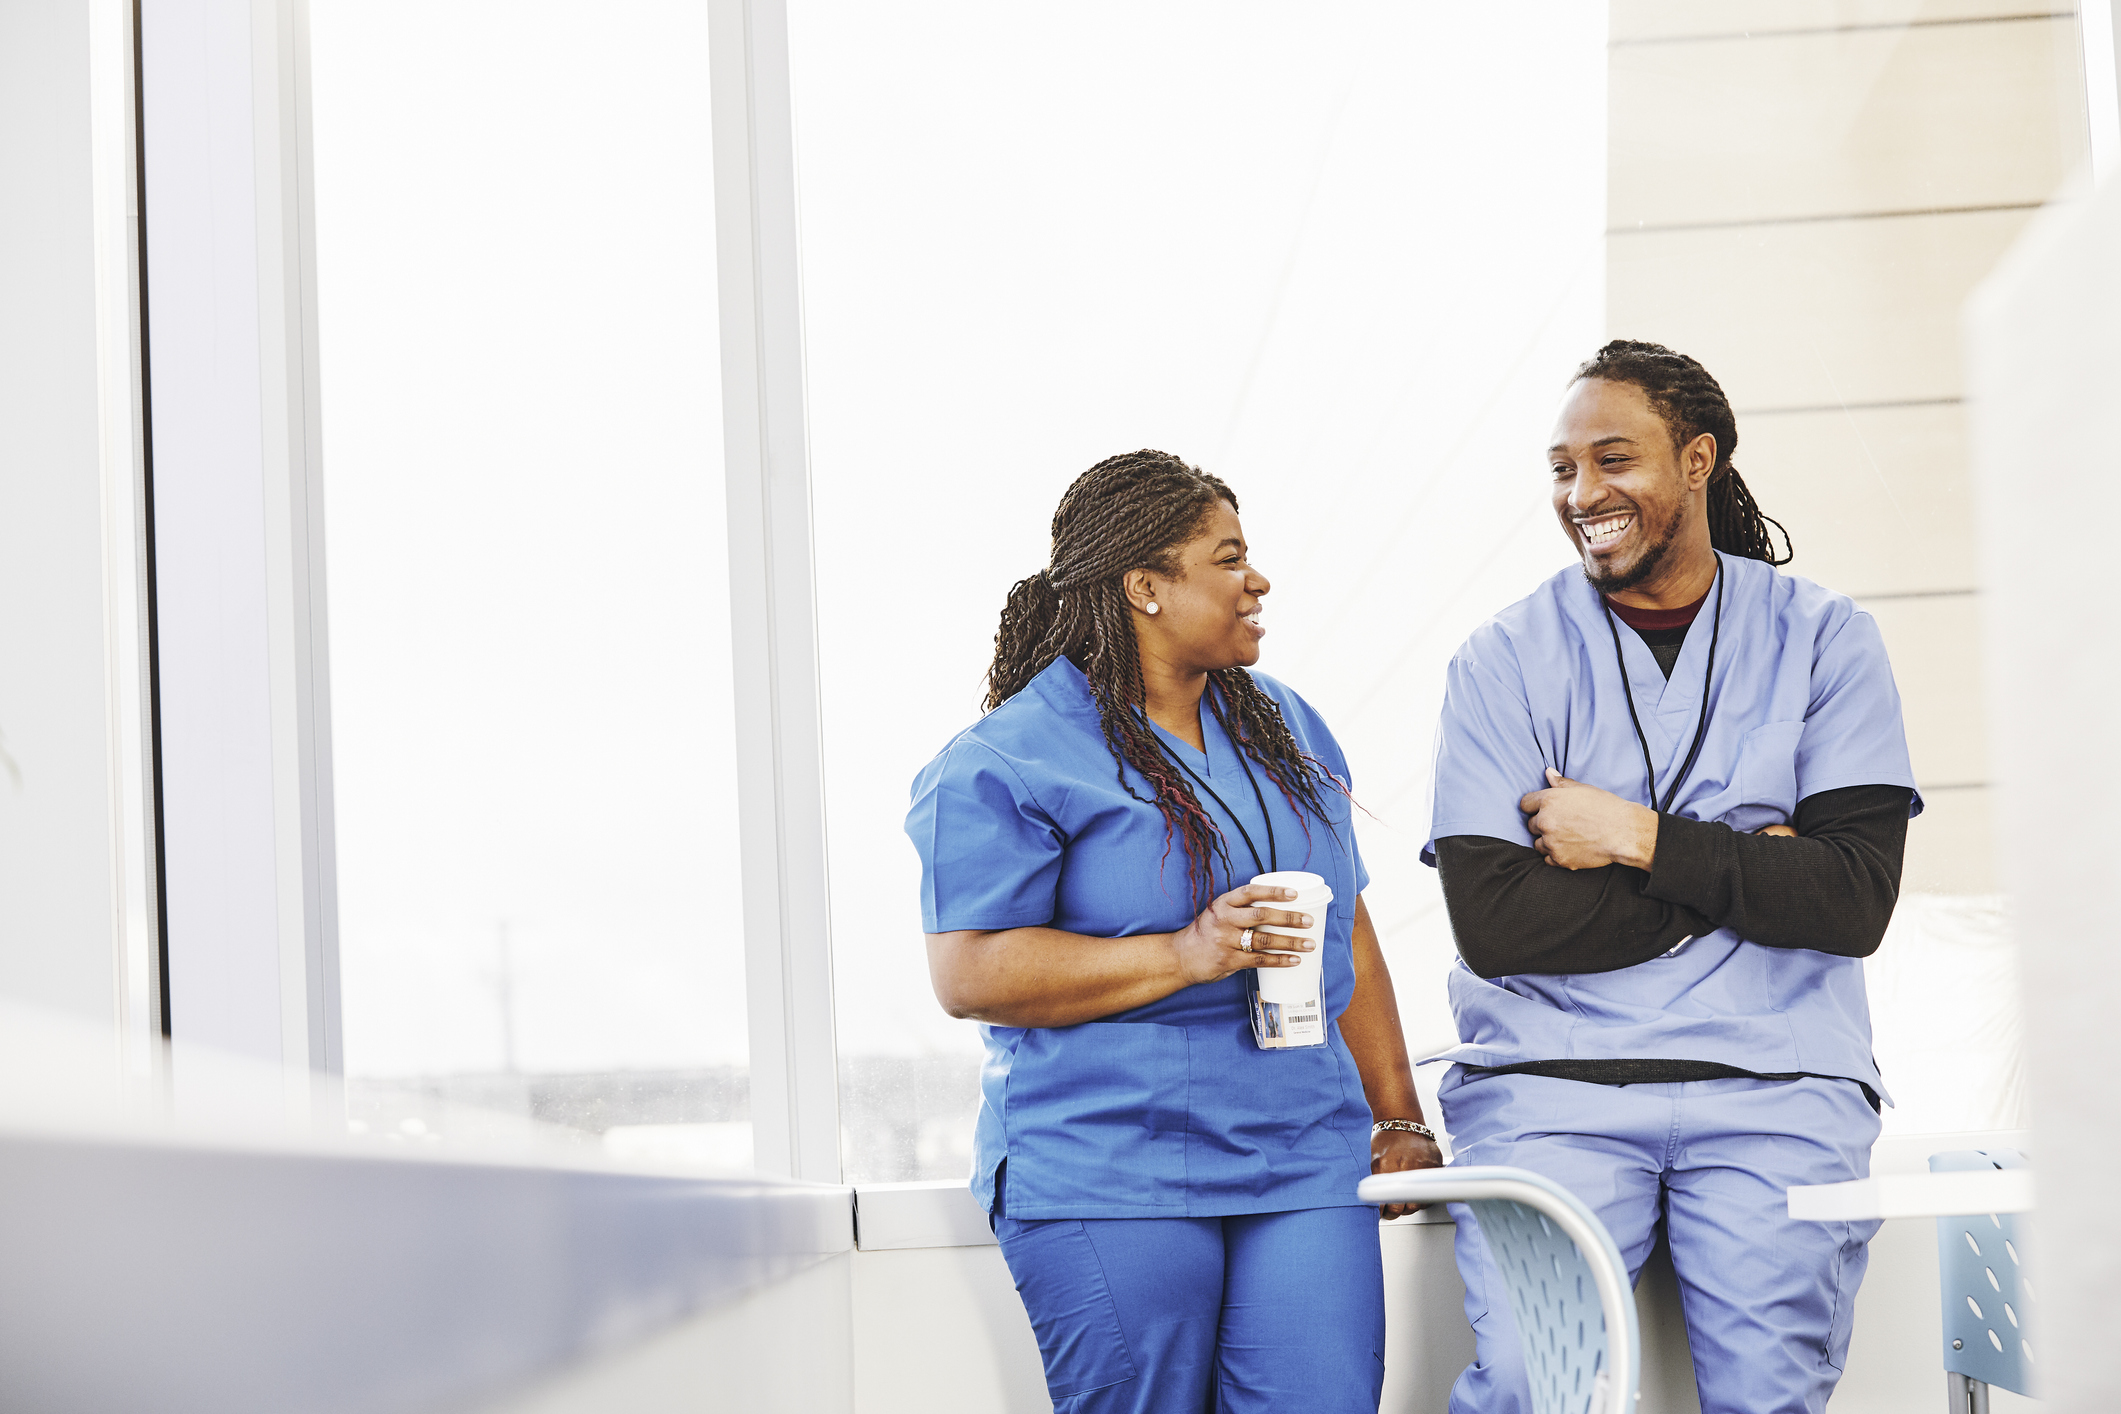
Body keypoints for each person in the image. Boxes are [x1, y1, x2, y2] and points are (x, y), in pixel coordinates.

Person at [1424, 341, 1920, 1414]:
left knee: (1767, 1394)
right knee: (1529, 1384)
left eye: (1614, 459)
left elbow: (1849, 901)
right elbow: (1500, 924)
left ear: (1697, 460)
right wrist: (1745, 868)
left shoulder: (1826, 641)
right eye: (1562, 468)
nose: (1583, 492)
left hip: (1776, 1087)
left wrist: (1633, 835)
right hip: (1554, 1090)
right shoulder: (1503, 660)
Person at [908, 450, 1441, 1414]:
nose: (1258, 579)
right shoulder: (1008, 758)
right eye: (1228, 558)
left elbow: (1344, 922)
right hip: (1109, 1166)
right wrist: (1186, 954)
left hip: (1297, 1158)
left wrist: (1397, 1113)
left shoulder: (1288, 726)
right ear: (1143, 585)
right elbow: (970, 972)